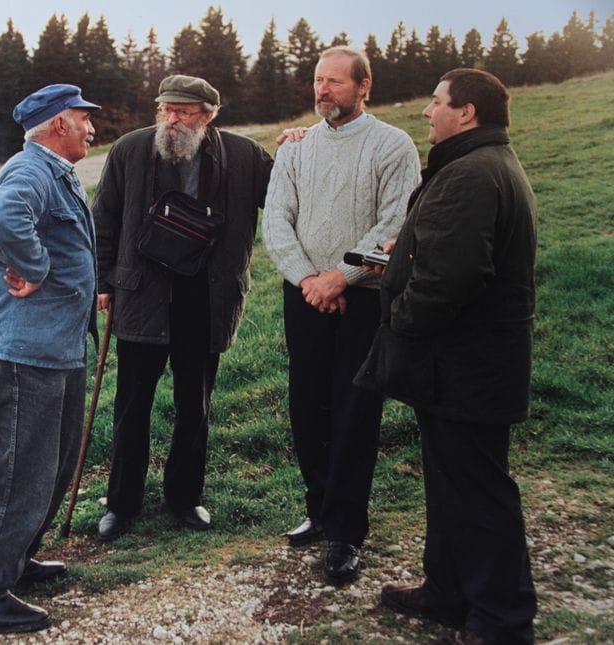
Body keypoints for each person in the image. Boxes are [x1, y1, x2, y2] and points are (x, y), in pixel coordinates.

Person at [358, 68, 538, 644]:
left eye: (436, 102)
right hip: (465, 369)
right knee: (452, 483)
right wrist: (404, 251)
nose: (427, 112)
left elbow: (451, 278)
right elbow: (448, 251)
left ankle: (500, 620)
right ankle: (448, 592)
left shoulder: (472, 174)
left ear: (467, 113)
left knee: (479, 492)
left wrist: (401, 318)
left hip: (468, 370)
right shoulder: (482, 166)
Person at [261, 46, 420, 584]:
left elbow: (395, 222)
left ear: (364, 85)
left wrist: (341, 277)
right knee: (308, 404)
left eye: (334, 81)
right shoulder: (296, 148)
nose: (322, 90)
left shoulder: (392, 144)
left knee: (354, 411)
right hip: (304, 296)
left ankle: (348, 530)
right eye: (317, 81)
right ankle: (319, 507)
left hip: (364, 298)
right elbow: (277, 221)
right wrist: (309, 279)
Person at [93, 75, 273, 541]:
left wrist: (296, 147)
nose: (172, 118)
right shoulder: (130, 150)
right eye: (165, 109)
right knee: (132, 404)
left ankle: (186, 498)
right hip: (143, 292)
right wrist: (103, 280)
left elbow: (284, 196)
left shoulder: (244, 156)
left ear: (209, 115)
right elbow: (105, 216)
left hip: (205, 295)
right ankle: (121, 504)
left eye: (184, 111)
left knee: (195, 404)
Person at [0, 84, 100, 634]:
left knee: (52, 464)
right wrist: (34, 269)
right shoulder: (31, 170)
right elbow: (1, 218)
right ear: (59, 123)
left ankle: (14, 560)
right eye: (84, 118)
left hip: (55, 345)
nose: (91, 127)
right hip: (23, 351)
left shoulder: (56, 172)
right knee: (16, 471)